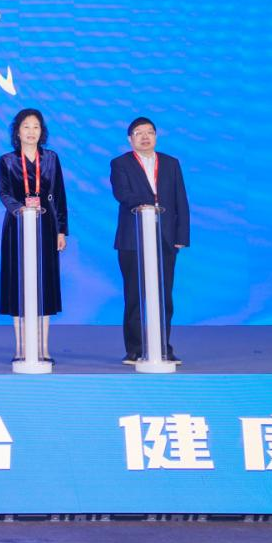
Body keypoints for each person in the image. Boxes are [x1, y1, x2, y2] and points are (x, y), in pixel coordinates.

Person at [110, 116, 190, 364]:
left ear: (156, 136)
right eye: (139, 133)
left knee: (164, 296)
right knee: (134, 296)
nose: (145, 137)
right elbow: (122, 193)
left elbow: (180, 200)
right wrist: (146, 206)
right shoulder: (120, 163)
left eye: (150, 132)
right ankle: (135, 349)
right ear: (130, 139)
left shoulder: (171, 163)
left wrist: (181, 235)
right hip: (132, 238)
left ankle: (163, 346)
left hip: (165, 238)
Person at [0, 108, 69, 362]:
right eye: (26, 126)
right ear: (17, 132)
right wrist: (21, 210)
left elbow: (59, 195)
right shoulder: (7, 160)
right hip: (17, 225)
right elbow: (4, 193)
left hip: (46, 225)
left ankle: (43, 348)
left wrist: (61, 230)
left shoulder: (51, 158)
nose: (31, 131)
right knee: (18, 283)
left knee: (44, 284)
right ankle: (20, 348)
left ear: (42, 131)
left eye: (36, 127)